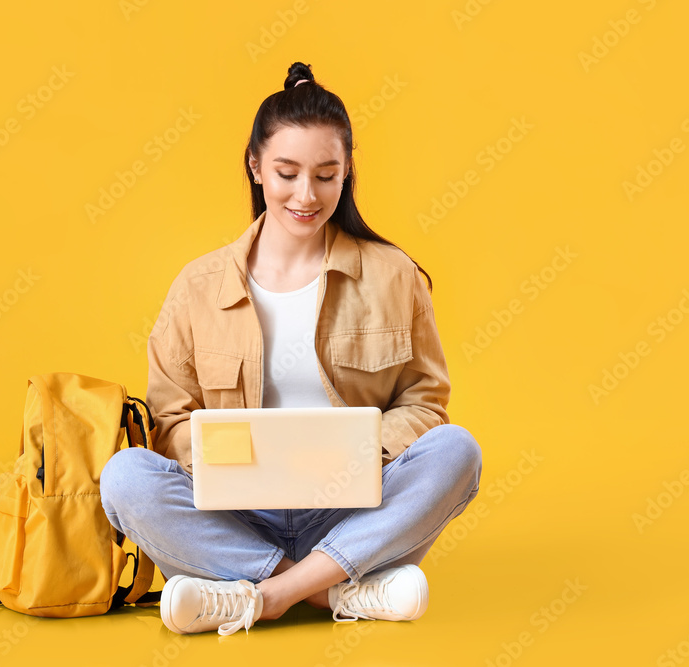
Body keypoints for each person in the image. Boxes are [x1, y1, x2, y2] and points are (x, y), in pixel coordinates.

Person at [99, 62, 482, 636]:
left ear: (347, 172)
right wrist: (220, 456)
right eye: (287, 173)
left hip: (352, 511)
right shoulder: (198, 286)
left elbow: (427, 406)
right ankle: (334, 593)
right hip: (235, 516)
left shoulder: (392, 275)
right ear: (256, 166)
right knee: (125, 476)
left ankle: (257, 596)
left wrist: (357, 450)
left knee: (458, 452)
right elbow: (169, 420)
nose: (306, 195)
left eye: (327, 176)